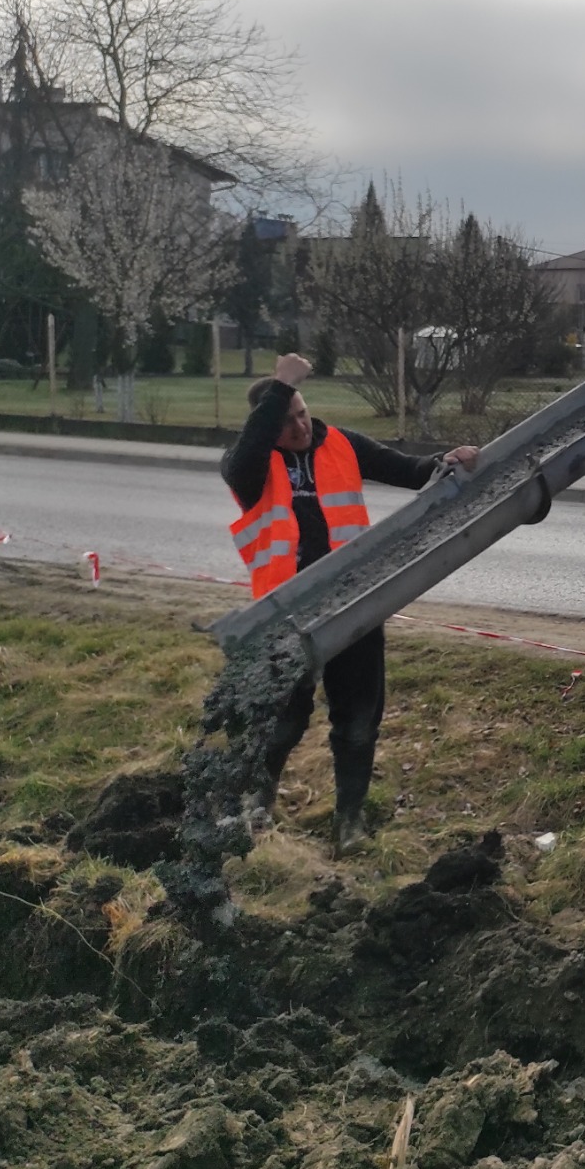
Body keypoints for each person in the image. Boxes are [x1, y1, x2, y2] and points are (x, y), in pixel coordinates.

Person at [221, 351, 479, 853]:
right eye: (287, 419)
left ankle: (350, 823)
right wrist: (277, 389)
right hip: (285, 615)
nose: (300, 426)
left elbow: (407, 470)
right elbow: (244, 458)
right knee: (283, 721)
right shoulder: (249, 466)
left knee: (358, 721)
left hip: (354, 605)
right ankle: (257, 806)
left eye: (302, 411)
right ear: (265, 424)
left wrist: (449, 461)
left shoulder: (339, 443)